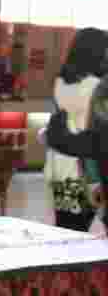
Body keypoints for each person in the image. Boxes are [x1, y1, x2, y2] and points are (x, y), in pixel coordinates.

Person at [42, 28, 108, 231]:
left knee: (67, 229)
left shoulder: (59, 82)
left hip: (60, 168)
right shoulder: (97, 86)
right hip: (88, 170)